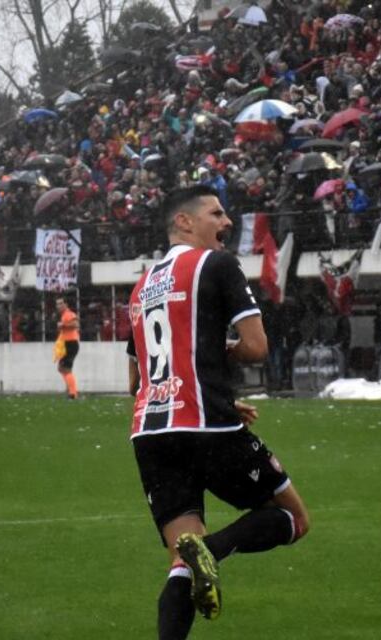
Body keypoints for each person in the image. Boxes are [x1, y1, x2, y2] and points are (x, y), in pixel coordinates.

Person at [125, 185, 309, 640]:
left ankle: (191, 560)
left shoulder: (142, 285)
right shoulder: (217, 264)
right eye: (216, 213)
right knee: (294, 520)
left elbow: (136, 381)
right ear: (185, 222)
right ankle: (210, 549)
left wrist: (209, 384)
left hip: (151, 432)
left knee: (179, 567)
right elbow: (256, 347)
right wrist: (218, 381)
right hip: (205, 423)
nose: (227, 223)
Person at [55, 297, 80, 399]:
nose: (58, 306)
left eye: (61, 303)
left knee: (65, 368)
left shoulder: (68, 314)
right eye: (57, 304)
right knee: (62, 368)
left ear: (66, 304)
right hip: (68, 344)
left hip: (71, 344)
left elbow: (76, 324)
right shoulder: (64, 315)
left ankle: (73, 393)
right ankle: (71, 391)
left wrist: (63, 325)